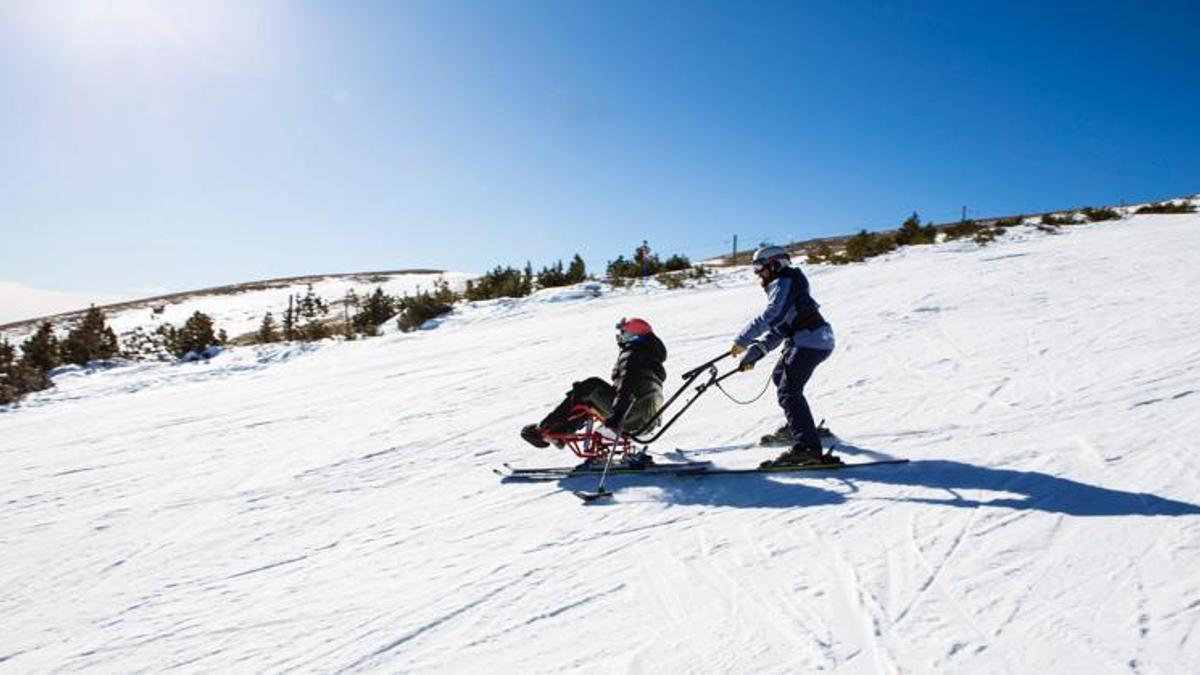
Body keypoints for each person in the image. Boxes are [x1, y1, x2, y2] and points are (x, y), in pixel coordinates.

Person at [731, 246, 838, 467]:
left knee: (789, 391)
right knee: (781, 378)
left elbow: (773, 315)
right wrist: (756, 352)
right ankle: (798, 429)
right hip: (811, 339)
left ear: (774, 264)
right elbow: (781, 327)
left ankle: (808, 448)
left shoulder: (784, 281)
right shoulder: (786, 284)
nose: (758, 274)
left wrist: (742, 340)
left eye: (759, 267)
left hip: (810, 340)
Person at [521, 317, 667, 451]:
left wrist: (617, 417)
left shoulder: (632, 355)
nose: (620, 337)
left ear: (634, 337)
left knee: (589, 387)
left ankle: (545, 430)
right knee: (590, 397)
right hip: (647, 421)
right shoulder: (650, 358)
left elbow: (626, 387)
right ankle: (558, 431)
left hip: (629, 418)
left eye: (624, 333)